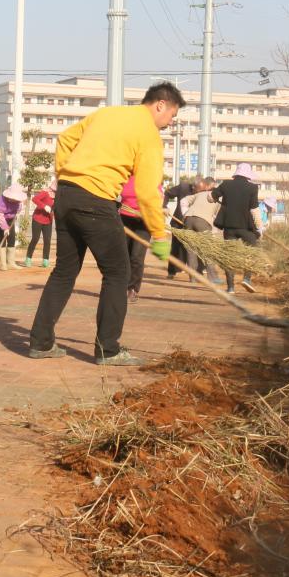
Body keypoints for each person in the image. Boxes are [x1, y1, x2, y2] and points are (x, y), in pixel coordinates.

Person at [27, 83, 184, 366]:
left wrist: (66, 176)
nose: (170, 123)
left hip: (66, 195)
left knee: (64, 271)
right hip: (95, 201)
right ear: (161, 104)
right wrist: (160, 234)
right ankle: (108, 350)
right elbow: (149, 192)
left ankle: (40, 342)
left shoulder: (107, 114)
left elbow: (65, 139)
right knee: (118, 273)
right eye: (172, 115)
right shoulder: (148, 135)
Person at [212, 162, 261, 294]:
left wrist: (216, 199)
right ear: (248, 175)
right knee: (253, 251)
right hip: (246, 227)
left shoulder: (226, 184)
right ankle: (246, 278)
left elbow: (211, 197)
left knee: (230, 256)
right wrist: (259, 227)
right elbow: (254, 209)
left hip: (229, 228)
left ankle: (231, 287)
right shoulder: (252, 188)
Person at [118, 175, 160, 303]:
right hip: (124, 219)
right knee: (123, 255)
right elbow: (114, 193)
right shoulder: (124, 176)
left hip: (144, 221)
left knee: (136, 256)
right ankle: (119, 288)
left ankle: (132, 289)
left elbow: (158, 198)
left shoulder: (150, 175)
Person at [163, 176, 214, 277]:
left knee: (195, 248)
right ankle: (171, 272)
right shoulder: (183, 187)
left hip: (193, 223)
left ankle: (197, 271)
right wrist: (164, 206)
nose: (200, 193)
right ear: (193, 187)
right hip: (178, 223)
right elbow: (167, 193)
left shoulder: (203, 193)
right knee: (176, 248)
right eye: (198, 191)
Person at [181, 182, 222, 280]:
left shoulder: (200, 194)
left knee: (191, 250)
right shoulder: (218, 200)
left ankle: (193, 278)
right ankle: (213, 277)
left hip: (188, 220)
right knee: (207, 250)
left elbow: (183, 200)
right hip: (203, 222)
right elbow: (216, 217)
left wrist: (185, 213)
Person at [0, 184, 27, 269]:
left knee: (11, 238)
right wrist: (5, 228)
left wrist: (17, 213)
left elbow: (19, 208)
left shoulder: (18, 201)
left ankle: (11, 262)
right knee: (1, 238)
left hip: (10, 219)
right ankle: (3, 264)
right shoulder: (2, 200)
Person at [24, 183, 55, 267]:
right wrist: (44, 206)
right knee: (35, 239)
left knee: (47, 241)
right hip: (38, 219)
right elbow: (35, 199)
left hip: (48, 220)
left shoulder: (58, 197)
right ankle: (28, 258)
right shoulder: (45, 192)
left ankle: (45, 260)